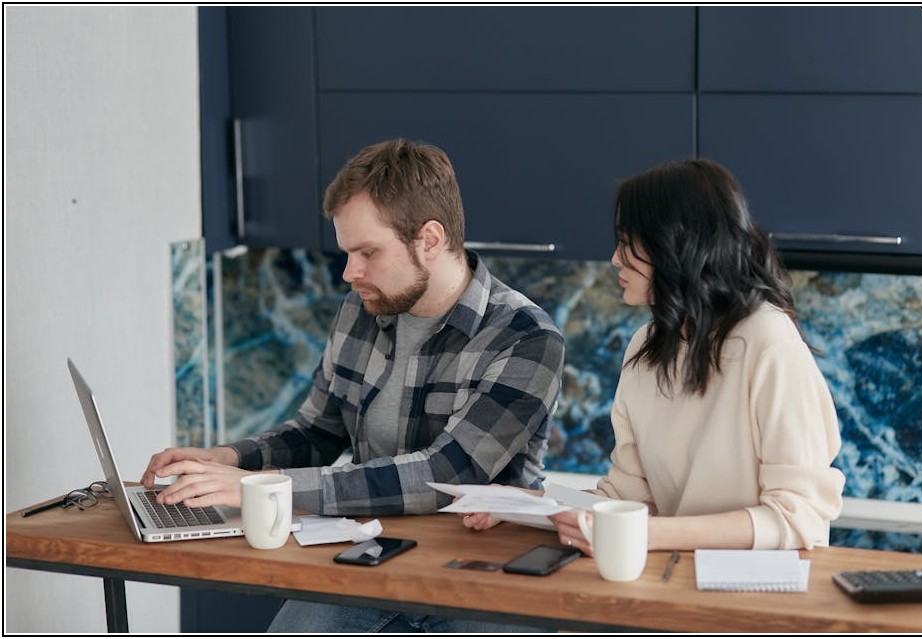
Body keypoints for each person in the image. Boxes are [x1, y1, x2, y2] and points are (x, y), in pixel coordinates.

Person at [140, 139, 564, 632]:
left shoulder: (526, 337)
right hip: (378, 553)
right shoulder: (363, 308)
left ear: (429, 240)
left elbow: (450, 473)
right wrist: (229, 460)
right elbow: (318, 431)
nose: (350, 273)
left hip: (484, 573)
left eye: (368, 252)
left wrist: (264, 487)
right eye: (347, 252)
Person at [465, 158, 845, 554]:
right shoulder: (645, 347)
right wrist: (525, 504)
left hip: (758, 595)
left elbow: (799, 515)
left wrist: (645, 535)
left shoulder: (768, 340)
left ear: (676, 244)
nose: (615, 259)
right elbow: (628, 496)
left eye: (629, 243)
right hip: (674, 582)